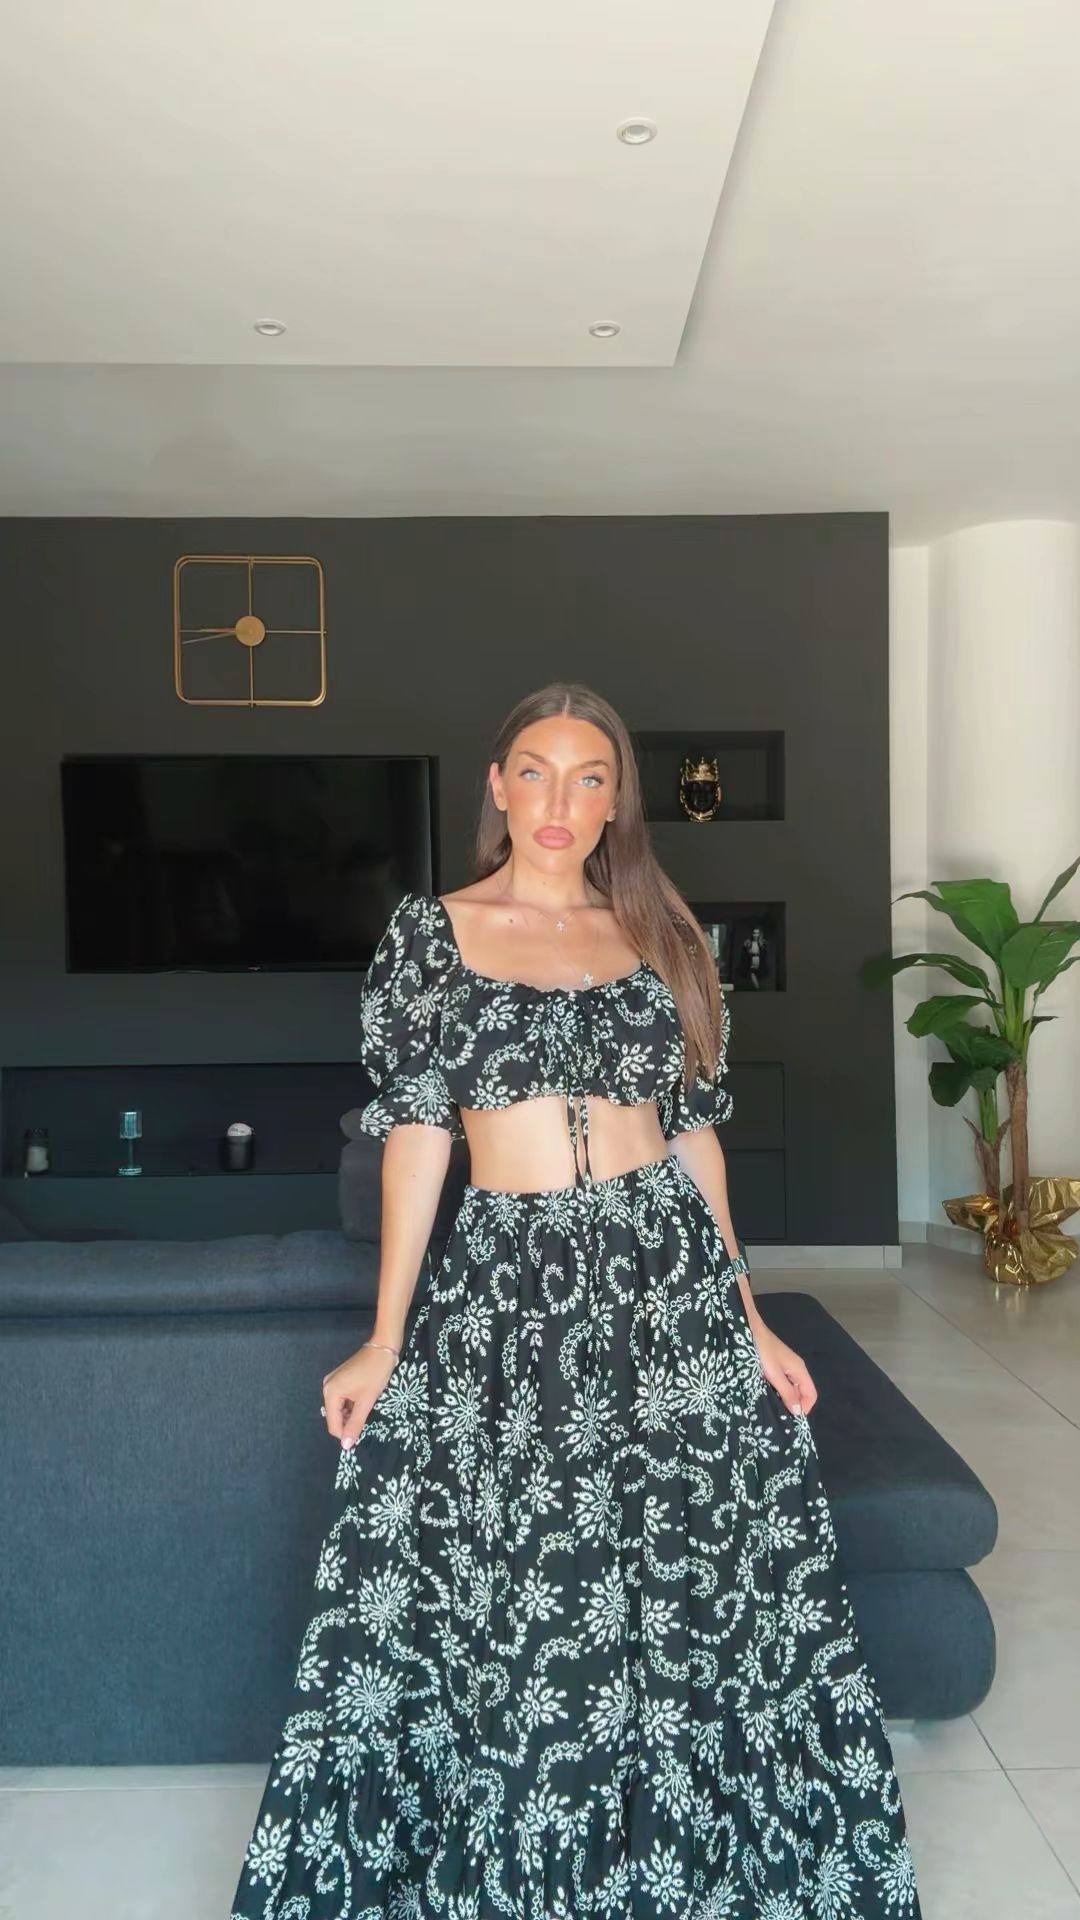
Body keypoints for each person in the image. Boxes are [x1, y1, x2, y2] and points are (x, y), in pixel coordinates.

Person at [230, 681, 922, 1919]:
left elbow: (693, 1135)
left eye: (590, 776)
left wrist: (750, 1314)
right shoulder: (432, 935)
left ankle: (685, 1854)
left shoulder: (661, 932)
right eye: (538, 771)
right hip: (512, 1288)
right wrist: (385, 1338)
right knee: (537, 1570)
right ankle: (541, 1847)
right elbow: (418, 1139)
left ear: (617, 802)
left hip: (668, 1279)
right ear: (498, 787)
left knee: (694, 1565)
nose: (562, 799)